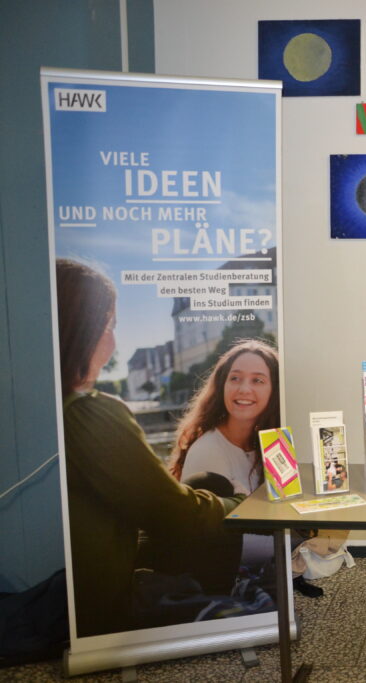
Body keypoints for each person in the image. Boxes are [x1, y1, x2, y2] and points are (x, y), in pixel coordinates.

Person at [56, 258, 243, 637]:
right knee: (215, 500)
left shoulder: (54, 403)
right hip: (103, 597)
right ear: (84, 331)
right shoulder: (88, 412)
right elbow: (170, 512)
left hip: (76, 574)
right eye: (110, 327)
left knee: (206, 484)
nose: (113, 342)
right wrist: (240, 506)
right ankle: (212, 609)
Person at [161, 339, 280, 594]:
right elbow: (225, 544)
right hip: (214, 578)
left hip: (257, 561)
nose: (244, 389)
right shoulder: (208, 451)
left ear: (275, 390)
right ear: (222, 385)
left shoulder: (272, 442)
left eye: (258, 380)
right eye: (235, 378)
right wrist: (298, 542)